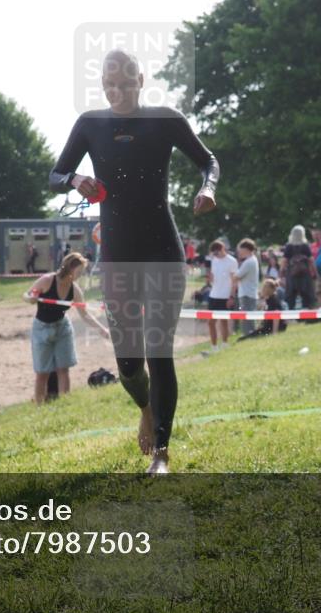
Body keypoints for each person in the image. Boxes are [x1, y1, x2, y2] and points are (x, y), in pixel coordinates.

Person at [49, 49, 219, 474]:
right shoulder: (90, 124)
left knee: (159, 351)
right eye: (109, 85)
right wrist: (75, 178)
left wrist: (209, 188)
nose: (117, 92)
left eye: (125, 84)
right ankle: (145, 407)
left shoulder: (166, 121)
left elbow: (208, 161)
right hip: (119, 256)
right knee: (128, 364)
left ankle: (161, 452)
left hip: (163, 249)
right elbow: (54, 174)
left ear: (140, 80)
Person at [24, 253, 110, 404]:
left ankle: (65, 403)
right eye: (79, 271)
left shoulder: (75, 290)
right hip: (41, 329)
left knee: (63, 369)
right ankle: (39, 404)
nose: (81, 274)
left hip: (62, 328)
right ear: (70, 268)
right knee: (42, 372)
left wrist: (102, 329)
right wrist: (31, 298)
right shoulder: (47, 280)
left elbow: (85, 314)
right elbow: (26, 295)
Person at [206, 240, 238, 351]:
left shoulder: (232, 261)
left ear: (222, 249)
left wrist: (232, 296)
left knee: (223, 321)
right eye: (213, 253)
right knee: (210, 322)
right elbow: (213, 278)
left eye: (216, 253)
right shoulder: (214, 260)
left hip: (225, 295)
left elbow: (234, 281)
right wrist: (210, 279)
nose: (215, 255)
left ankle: (224, 344)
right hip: (214, 294)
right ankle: (214, 346)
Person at [281, 225, 316, 311]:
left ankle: (290, 316)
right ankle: (307, 316)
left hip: (292, 275)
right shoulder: (305, 246)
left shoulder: (288, 246)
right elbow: (311, 261)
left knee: (290, 298)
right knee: (307, 297)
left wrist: (281, 273)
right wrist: (314, 272)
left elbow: (284, 261)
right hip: (305, 275)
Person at [232, 239, 260, 336]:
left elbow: (236, 276)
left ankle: (248, 335)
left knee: (247, 319)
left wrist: (233, 275)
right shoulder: (253, 260)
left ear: (246, 249)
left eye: (240, 250)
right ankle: (249, 335)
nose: (239, 252)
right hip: (249, 293)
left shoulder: (249, 262)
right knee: (247, 318)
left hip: (247, 294)